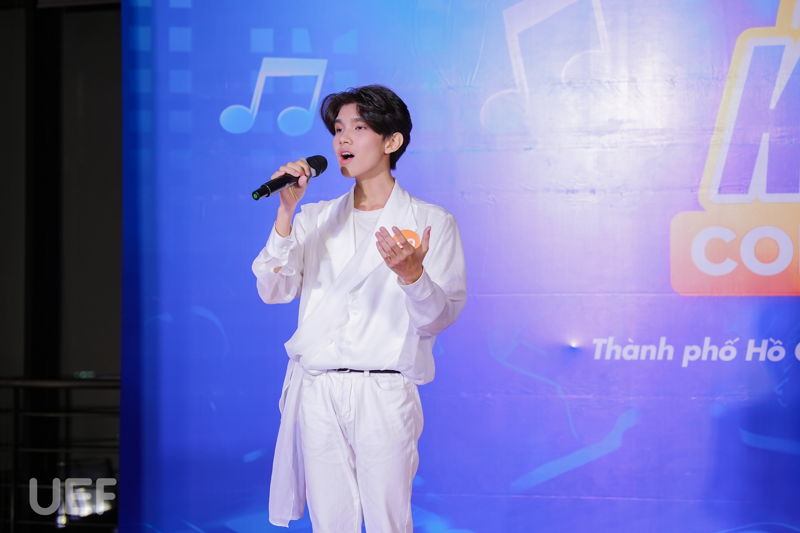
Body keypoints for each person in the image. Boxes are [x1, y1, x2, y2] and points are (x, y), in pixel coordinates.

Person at [252, 85, 467, 532]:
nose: (343, 139)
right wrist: (286, 213)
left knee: (388, 520)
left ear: (392, 141)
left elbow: (438, 318)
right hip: (318, 389)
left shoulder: (431, 222)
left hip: (382, 390)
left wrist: (413, 276)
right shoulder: (315, 218)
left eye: (359, 127)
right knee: (330, 523)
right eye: (337, 130)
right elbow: (274, 290)